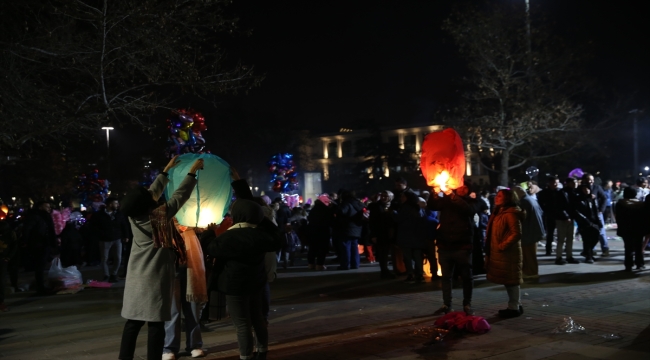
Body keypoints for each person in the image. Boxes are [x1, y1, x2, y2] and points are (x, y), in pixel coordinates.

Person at [118, 156, 203, 360]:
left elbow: (151, 194)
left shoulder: (133, 216)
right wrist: (192, 173)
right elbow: (180, 195)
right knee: (156, 324)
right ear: (148, 205)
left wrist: (164, 172)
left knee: (133, 322)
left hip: (136, 278)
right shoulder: (159, 217)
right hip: (156, 277)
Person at [204, 199, 281, 360]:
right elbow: (278, 238)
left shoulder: (229, 237)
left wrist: (209, 232)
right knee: (258, 319)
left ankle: (246, 355)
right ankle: (262, 350)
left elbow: (211, 248)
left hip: (235, 285)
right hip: (256, 282)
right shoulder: (262, 236)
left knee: (242, 323)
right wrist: (263, 220)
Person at [427, 185, 476, 316]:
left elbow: (468, 210)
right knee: (446, 277)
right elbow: (432, 206)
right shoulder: (447, 200)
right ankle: (447, 304)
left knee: (466, 277)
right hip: (445, 244)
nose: (460, 189)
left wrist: (452, 195)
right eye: (458, 187)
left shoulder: (471, 200)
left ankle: (467, 303)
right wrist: (434, 194)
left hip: (462, 245)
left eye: (464, 187)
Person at [162, 221, 208, 360]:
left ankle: (194, 345)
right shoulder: (164, 225)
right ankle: (169, 347)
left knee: (193, 309)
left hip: (191, 269)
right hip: (171, 270)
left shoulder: (192, 225)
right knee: (173, 311)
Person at [485, 189, 525, 318]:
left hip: (509, 253)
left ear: (508, 198)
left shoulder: (510, 213)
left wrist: (502, 245)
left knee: (511, 280)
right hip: (503, 253)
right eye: (496, 195)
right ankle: (516, 305)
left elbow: (516, 233)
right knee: (509, 280)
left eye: (500, 196)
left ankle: (513, 308)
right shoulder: (499, 212)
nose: (496, 197)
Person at [22, 201, 56, 294]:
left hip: (44, 243)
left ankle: (41, 285)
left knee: (42, 265)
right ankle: (40, 287)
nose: (49, 208)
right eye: (47, 206)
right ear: (40, 207)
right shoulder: (35, 217)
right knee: (40, 266)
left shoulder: (45, 217)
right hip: (38, 244)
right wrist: (25, 241)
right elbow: (27, 229)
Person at [93, 197, 131, 283]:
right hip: (104, 240)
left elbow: (124, 225)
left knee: (118, 258)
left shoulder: (119, 214)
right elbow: (94, 227)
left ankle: (114, 274)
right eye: (116, 203)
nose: (117, 205)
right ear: (110, 204)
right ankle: (106, 275)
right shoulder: (99, 214)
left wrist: (126, 236)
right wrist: (101, 235)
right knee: (104, 258)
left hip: (117, 238)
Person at [394, 191, 428, 283]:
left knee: (407, 257)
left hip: (406, 236)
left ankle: (410, 274)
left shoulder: (404, 208)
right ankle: (419, 274)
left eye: (403, 196)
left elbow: (399, 220)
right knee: (417, 256)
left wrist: (394, 214)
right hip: (418, 236)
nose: (401, 198)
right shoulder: (418, 208)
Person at [513, 186, 546, 280]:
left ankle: (531, 272)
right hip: (534, 230)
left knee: (528, 254)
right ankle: (530, 271)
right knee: (530, 253)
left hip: (529, 231)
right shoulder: (530, 199)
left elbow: (522, 218)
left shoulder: (524, 202)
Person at [614, 187, 646, 271]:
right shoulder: (641, 204)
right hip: (638, 228)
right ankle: (640, 263)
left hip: (626, 229)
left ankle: (628, 265)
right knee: (638, 247)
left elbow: (618, 217)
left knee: (628, 247)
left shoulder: (620, 204)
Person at [571, 185, 602, 264]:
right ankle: (589, 256)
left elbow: (595, 210)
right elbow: (577, 211)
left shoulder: (592, 198)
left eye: (588, 188)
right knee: (587, 239)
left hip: (593, 220)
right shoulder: (578, 199)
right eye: (584, 189)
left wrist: (598, 221)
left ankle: (587, 252)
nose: (586, 190)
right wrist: (584, 220)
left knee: (596, 237)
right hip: (584, 222)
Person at [335, 189, 366, 270]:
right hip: (357, 228)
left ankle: (345, 265)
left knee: (345, 247)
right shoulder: (359, 203)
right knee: (354, 247)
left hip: (346, 228)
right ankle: (355, 264)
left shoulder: (346, 203)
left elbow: (342, 211)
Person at [582, 173, 609, 256]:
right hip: (587, 214)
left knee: (601, 231)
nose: (591, 181)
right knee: (589, 233)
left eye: (592, 179)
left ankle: (605, 249)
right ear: (584, 180)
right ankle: (591, 249)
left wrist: (601, 210)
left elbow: (604, 198)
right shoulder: (580, 189)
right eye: (589, 179)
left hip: (597, 213)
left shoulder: (597, 187)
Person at [307, 194, 333, 271]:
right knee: (322, 248)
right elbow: (330, 221)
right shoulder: (326, 210)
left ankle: (311, 264)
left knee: (312, 248)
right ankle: (320, 264)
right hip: (323, 231)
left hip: (313, 231)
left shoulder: (313, 209)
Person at [0, 220, 18, 312]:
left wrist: (8, 257)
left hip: (3, 260)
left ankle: (1, 302)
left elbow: (14, 245)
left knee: (1, 281)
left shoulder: (10, 233)